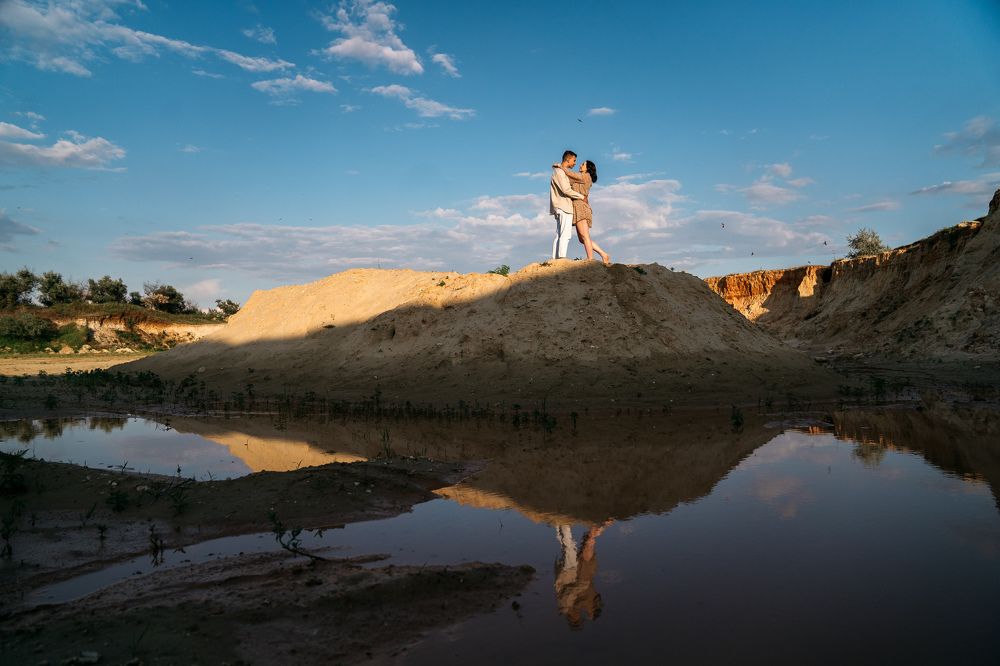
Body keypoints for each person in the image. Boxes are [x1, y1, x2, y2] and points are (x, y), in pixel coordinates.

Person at [557, 159, 611, 264]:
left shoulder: (586, 176)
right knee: (582, 239)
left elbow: (571, 175)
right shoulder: (580, 178)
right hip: (579, 206)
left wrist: (561, 167)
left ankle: (590, 260)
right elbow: (569, 180)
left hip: (581, 207)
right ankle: (604, 254)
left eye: (583, 164)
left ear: (587, 168)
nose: (580, 165)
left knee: (585, 236)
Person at [550, 150, 586, 259]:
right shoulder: (559, 172)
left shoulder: (559, 171)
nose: (575, 163)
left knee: (559, 234)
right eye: (574, 160)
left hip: (559, 206)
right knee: (565, 234)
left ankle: (556, 259)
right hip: (564, 206)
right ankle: (561, 258)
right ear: (568, 159)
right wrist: (582, 197)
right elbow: (566, 190)